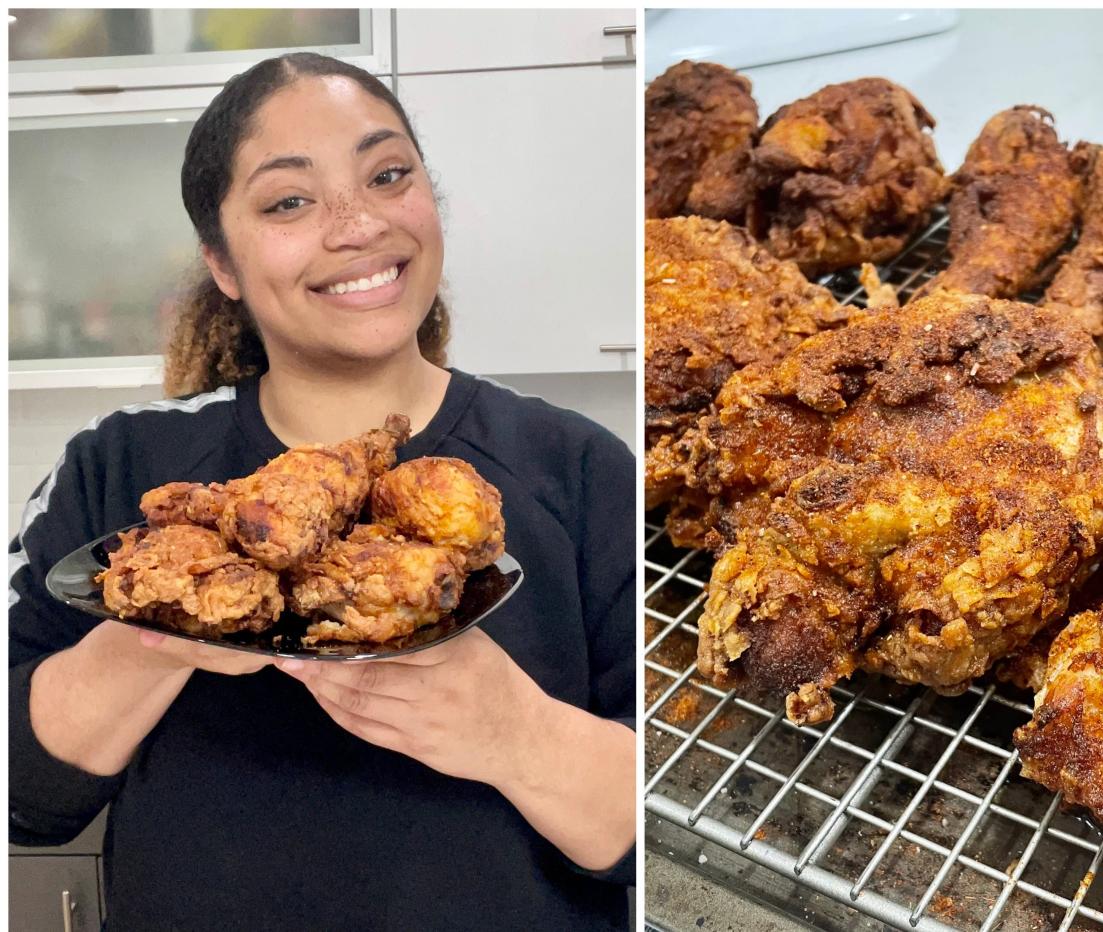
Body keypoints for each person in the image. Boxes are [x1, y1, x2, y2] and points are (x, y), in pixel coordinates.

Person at [9, 52, 636, 930]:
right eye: (289, 201)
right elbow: (23, 804)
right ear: (222, 264)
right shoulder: (117, 467)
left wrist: (515, 733)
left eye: (388, 175)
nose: (358, 226)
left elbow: (665, 846)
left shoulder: (583, 469)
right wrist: (152, 636)